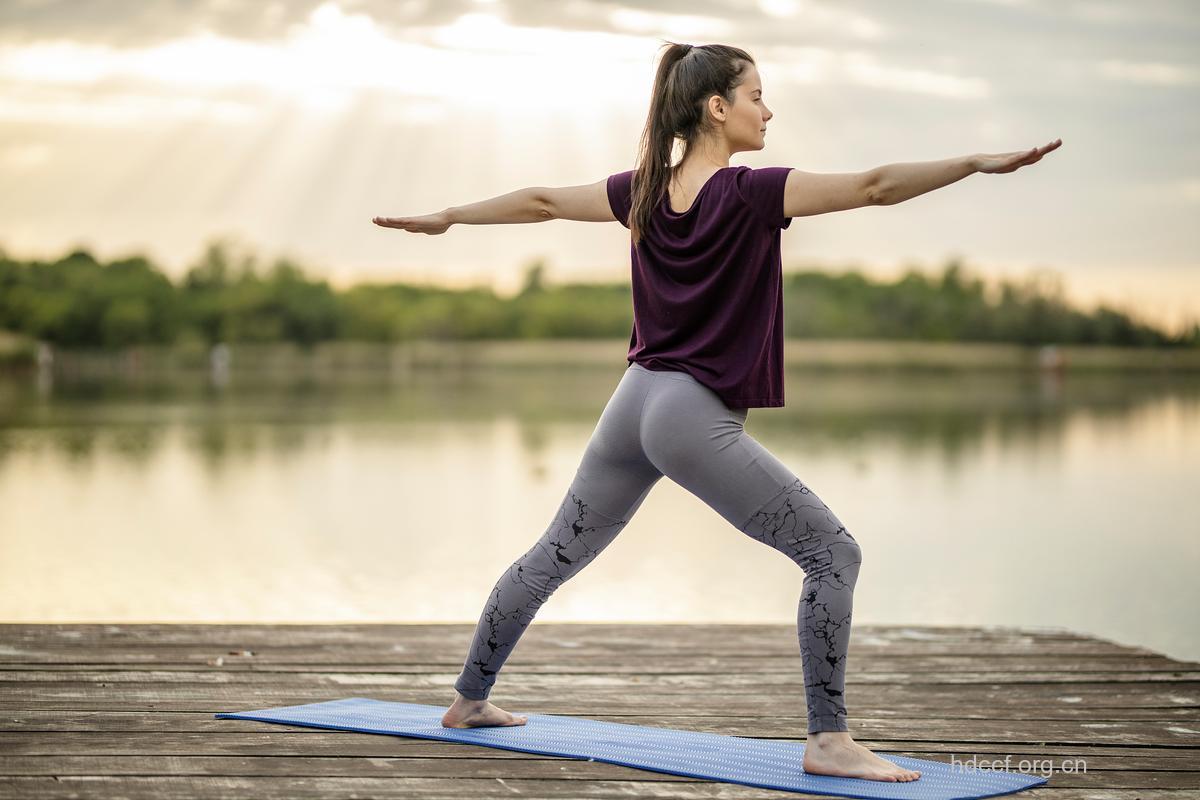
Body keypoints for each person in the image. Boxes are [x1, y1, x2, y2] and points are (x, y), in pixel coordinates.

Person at [372, 40, 1060, 783]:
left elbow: (540, 202)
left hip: (632, 403)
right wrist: (973, 163)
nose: (770, 110)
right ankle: (828, 741)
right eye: (758, 95)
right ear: (717, 107)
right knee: (834, 555)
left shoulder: (639, 190)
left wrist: (448, 216)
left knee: (552, 556)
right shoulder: (750, 191)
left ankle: (469, 699)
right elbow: (873, 187)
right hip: (688, 413)